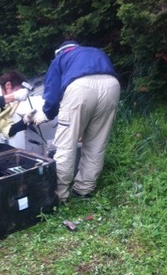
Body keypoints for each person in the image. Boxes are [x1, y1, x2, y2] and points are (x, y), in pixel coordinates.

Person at [34, 40, 121, 201]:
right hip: (112, 86)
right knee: (96, 143)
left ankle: (59, 194)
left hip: (80, 88)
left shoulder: (60, 58)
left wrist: (46, 114)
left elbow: (52, 94)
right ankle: (84, 189)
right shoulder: (95, 51)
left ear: (60, 51)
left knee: (66, 144)